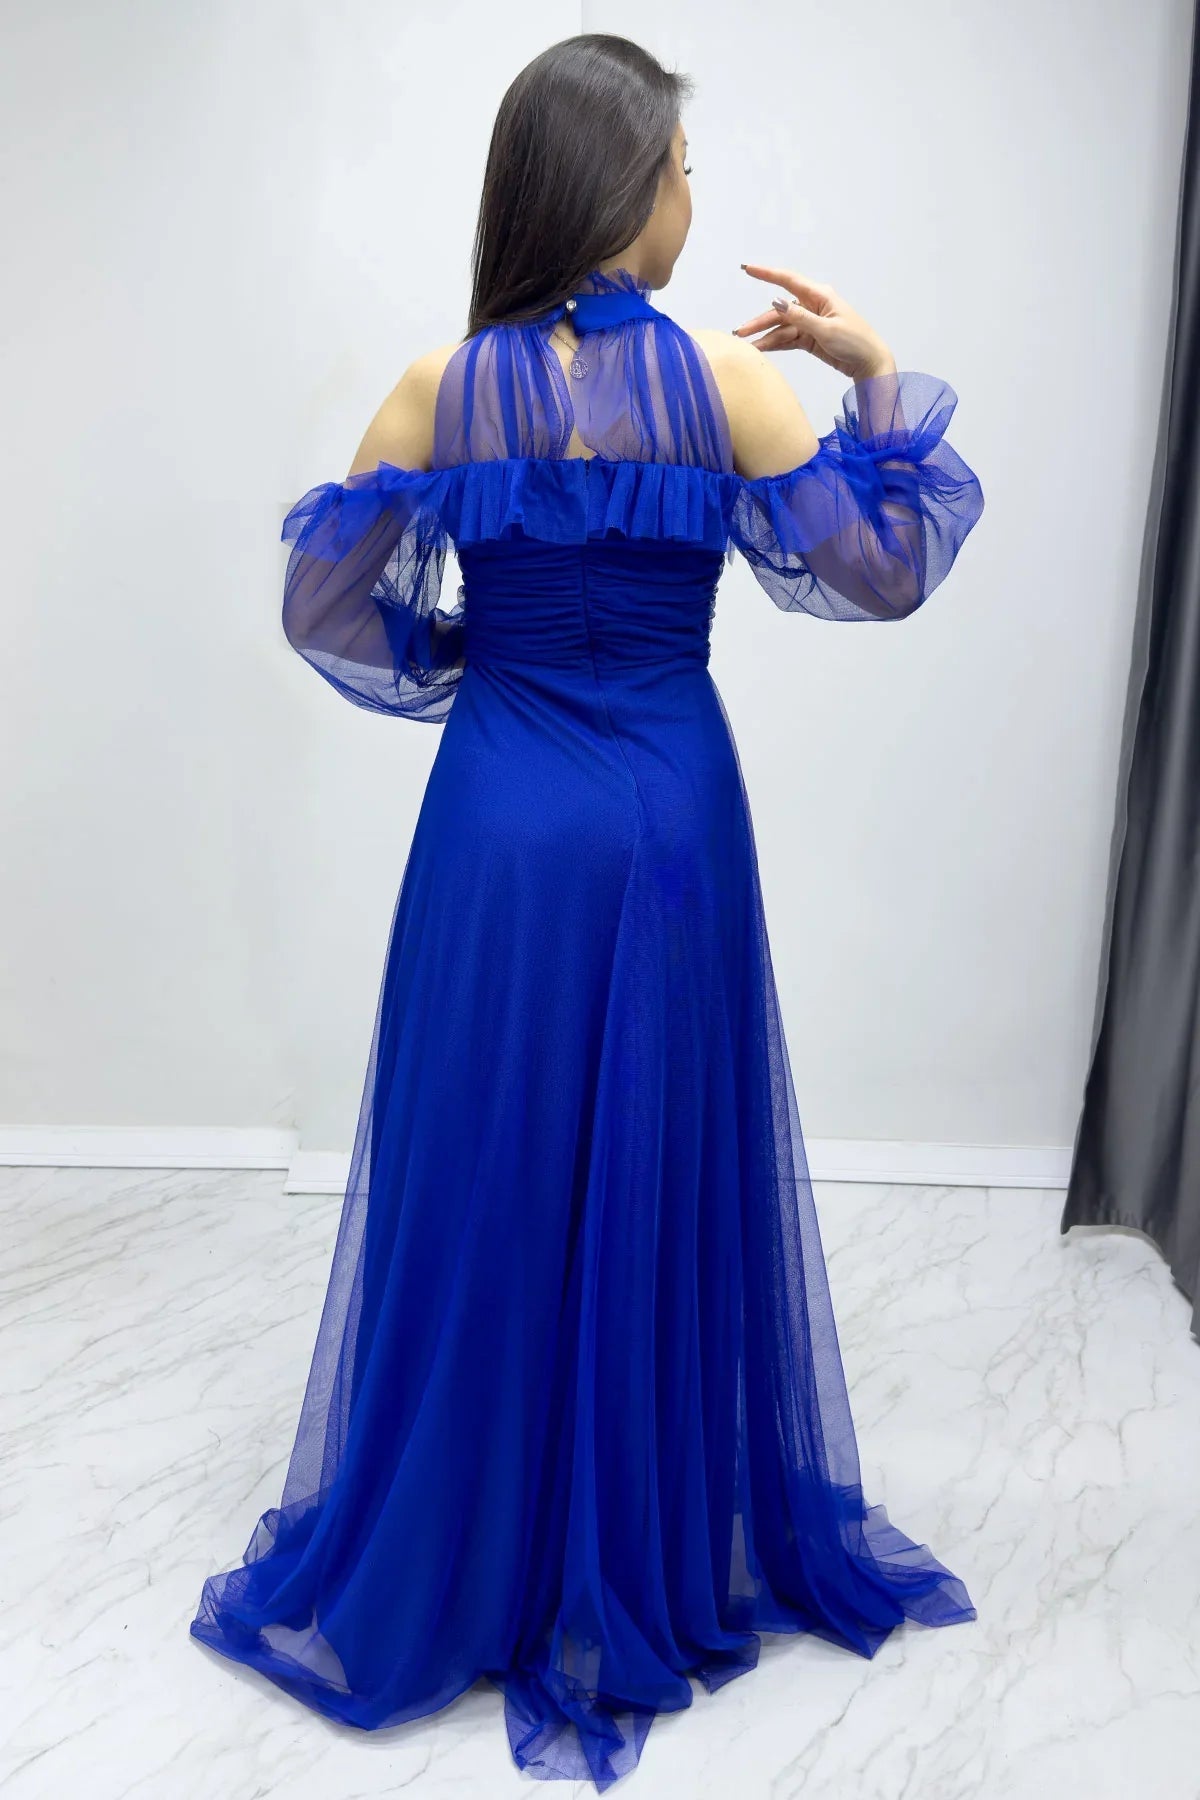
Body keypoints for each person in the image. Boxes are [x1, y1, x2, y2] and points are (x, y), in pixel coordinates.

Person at [190, 31, 984, 1792]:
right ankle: (634, 1533)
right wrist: (872, 372)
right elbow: (883, 570)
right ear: (624, 185)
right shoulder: (731, 388)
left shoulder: (441, 386)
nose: (693, 197)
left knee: (488, 1157)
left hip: (500, 813)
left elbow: (326, 607)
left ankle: (467, 1535)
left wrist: (483, 659)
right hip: (671, 810)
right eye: (683, 169)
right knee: (653, 1156)